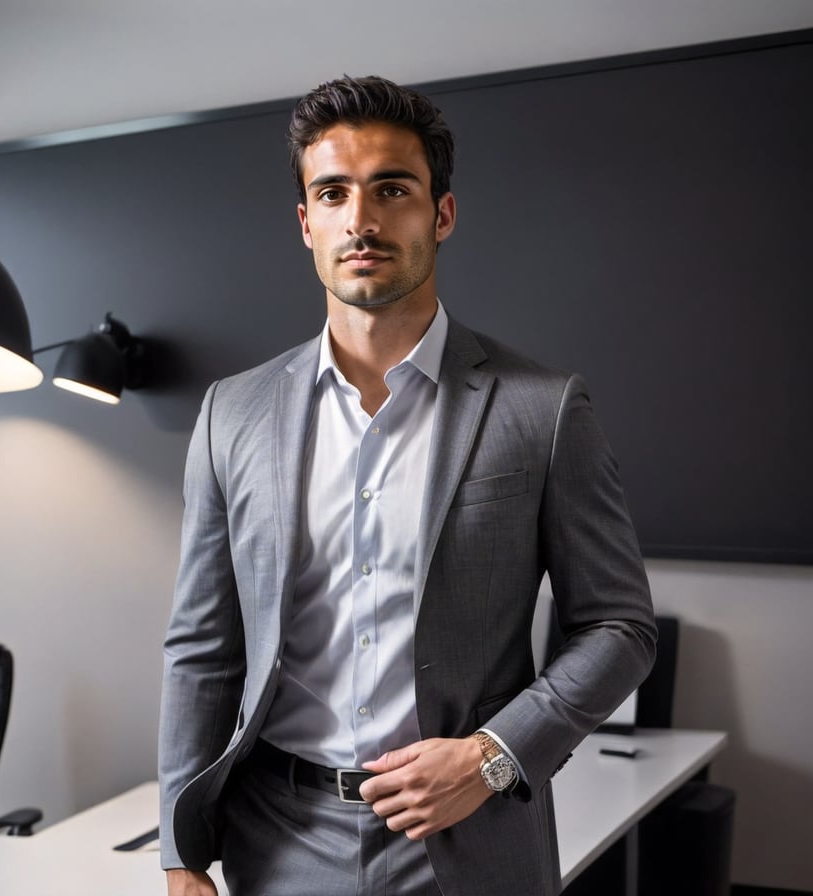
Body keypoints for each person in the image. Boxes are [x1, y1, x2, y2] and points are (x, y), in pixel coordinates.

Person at [159, 74, 656, 896]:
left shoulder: (544, 408)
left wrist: (492, 758)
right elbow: (201, 649)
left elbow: (618, 626)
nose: (362, 219)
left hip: (471, 839)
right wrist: (181, 852)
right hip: (275, 841)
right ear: (306, 223)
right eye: (334, 193)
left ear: (442, 214)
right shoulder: (230, 415)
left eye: (393, 189)